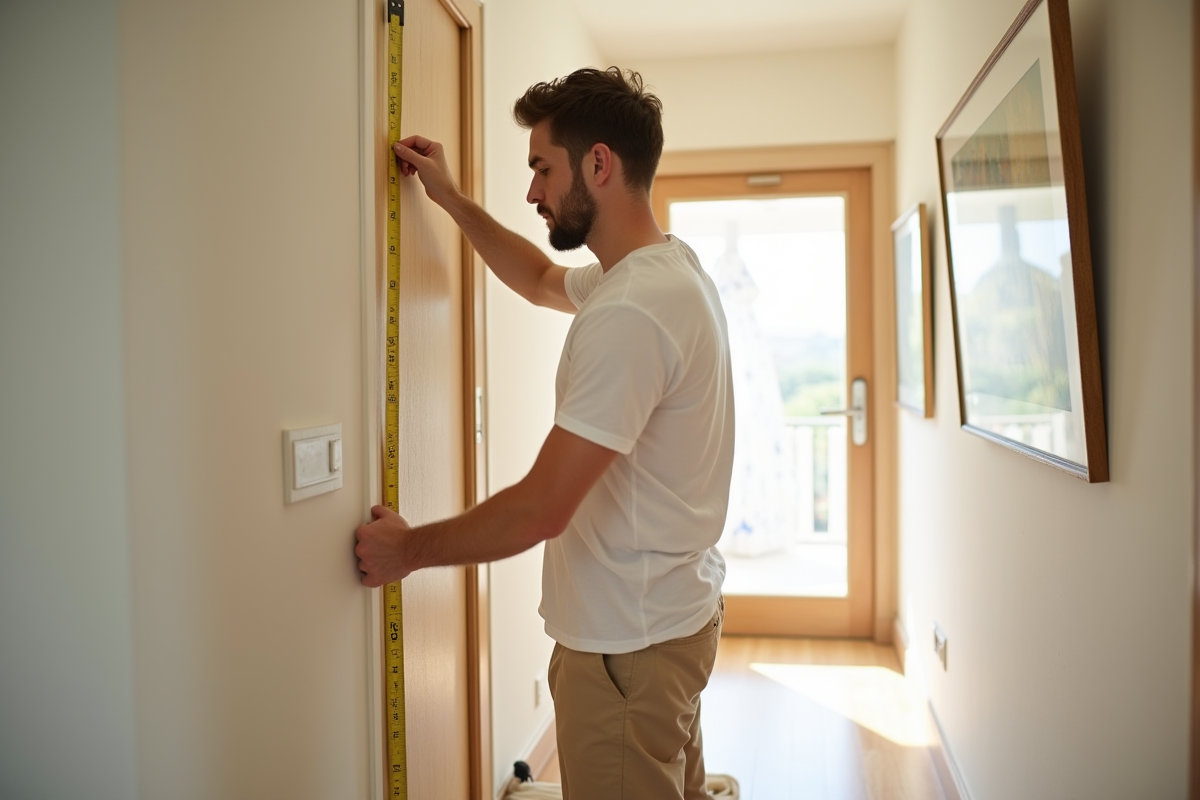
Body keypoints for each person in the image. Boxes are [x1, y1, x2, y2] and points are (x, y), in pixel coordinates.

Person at [355, 67, 734, 800]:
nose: (532, 192)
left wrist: (406, 551)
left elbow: (541, 509)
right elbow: (536, 279)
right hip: (671, 621)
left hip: (627, 647)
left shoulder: (632, 310)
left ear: (600, 163)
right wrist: (450, 199)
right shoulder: (665, 271)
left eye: (542, 168)